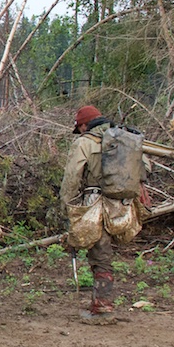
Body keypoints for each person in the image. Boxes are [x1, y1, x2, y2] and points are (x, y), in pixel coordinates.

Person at [60, 105, 148, 325]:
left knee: (100, 254)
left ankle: (103, 307)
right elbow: (144, 166)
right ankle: (100, 303)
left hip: (96, 203)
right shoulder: (124, 139)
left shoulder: (84, 143)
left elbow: (72, 177)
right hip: (122, 205)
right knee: (104, 253)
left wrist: (67, 206)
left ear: (83, 125)